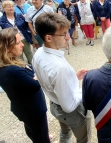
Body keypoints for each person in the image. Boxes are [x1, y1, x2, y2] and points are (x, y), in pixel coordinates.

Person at [33, 13, 91, 143]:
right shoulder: (60, 68)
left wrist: (74, 77)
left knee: (65, 133)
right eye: (63, 34)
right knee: (84, 139)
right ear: (48, 37)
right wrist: (87, 91)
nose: (68, 37)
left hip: (55, 104)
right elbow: (69, 106)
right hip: (72, 112)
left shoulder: (38, 54)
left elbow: (52, 81)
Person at [0, 28, 50, 143]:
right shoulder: (11, 70)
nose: (22, 45)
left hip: (24, 108)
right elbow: (36, 84)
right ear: (7, 48)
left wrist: (33, 75)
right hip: (32, 109)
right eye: (18, 43)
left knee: (34, 131)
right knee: (41, 137)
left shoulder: (6, 64)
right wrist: (36, 76)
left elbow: (31, 76)